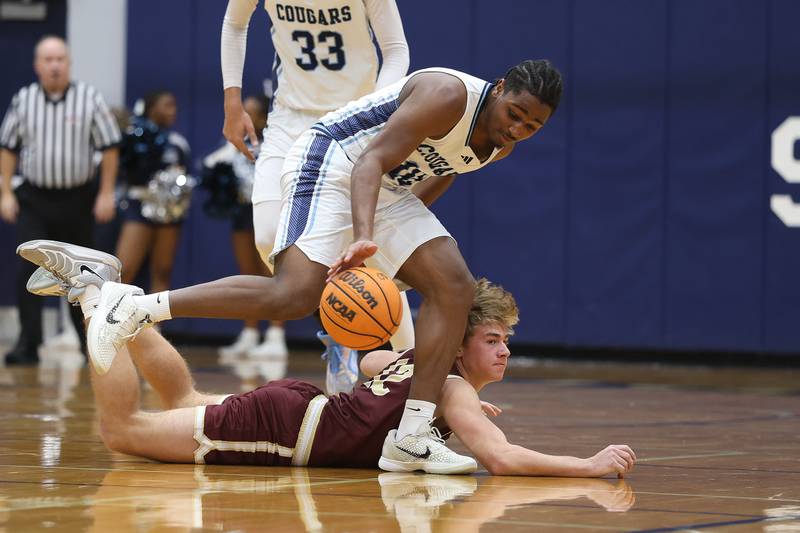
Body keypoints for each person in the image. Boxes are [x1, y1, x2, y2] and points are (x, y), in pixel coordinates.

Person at [84, 59, 564, 473]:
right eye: (515, 114)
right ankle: (136, 308)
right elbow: (370, 161)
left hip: (389, 193)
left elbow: (439, 174)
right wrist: (365, 238)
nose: (518, 128)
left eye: (532, 126)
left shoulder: (502, 142)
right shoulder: (448, 95)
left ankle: (411, 437)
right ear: (498, 89)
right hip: (334, 162)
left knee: (453, 287)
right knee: (292, 295)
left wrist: (408, 255)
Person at [18, 239, 635, 477]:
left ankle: (111, 295)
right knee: (121, 432)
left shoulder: (420, 364)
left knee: (181, 401)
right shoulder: (447, 388)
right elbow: (498, 459)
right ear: (464, 336)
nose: (503, 352)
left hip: (296, 410)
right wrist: (586, 464)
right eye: (494, 340)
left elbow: (370, 369)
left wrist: (449, 400)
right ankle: (97, 294)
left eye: (507, 343)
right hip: (287, 429)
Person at [221, 0, 414, 389]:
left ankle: (418, 381)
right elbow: (234, 24)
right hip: (291, 118)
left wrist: (374, 107)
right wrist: (232, 99)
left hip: (353, 118)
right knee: (267, 236)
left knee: (372, 254)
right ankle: (340, 322)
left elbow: (396, 51)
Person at [0, 35, 120, 365]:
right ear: (38, 65)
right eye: (48, 60)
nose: (54, 66)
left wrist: (107, 192)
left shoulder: (89, 98)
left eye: (60, 60)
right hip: (35, 199)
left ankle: (88, 344)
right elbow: (8, 148)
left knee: (82, 274)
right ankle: (28, 344)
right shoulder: (23, 100)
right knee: (29, 270)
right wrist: (6, 192)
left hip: (77, 199)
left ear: (68, 63)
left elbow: (110, 147)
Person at [201, 95, 281, 363]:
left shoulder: (275, 141)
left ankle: (275, 336)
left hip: (269, 209)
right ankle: (249, 333)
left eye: (252, 111)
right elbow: (212, 167)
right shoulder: (235, 143)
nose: (246, 115)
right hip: (242, 211)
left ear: (262, 117)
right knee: (247, 273)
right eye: (243, 110)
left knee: (272, 274)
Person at [115, 90, 191, 295]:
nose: (172, 110)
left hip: (169, 213)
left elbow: (185, 177)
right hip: (139, 206)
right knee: (126, 268)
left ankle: (156, 325)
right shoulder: (133, 137)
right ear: (151, 108)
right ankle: (115, 321)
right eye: (166, 105)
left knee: (163, 269)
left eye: (174, 106)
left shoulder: (178, 144)